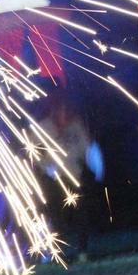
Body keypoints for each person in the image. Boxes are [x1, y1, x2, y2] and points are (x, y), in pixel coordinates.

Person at [38, 101, 104, 262]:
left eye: (67, 111)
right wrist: (47, 167)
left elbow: (86, 148)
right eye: (61, 111)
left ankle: (82, 251)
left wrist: (95, 162)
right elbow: (35, 152)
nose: (64, 115)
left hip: (73, 177)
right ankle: (55, 254)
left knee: (81, 214)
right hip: (52, 180)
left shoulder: (76, 126)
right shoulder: (44, 127)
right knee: (56, 216)